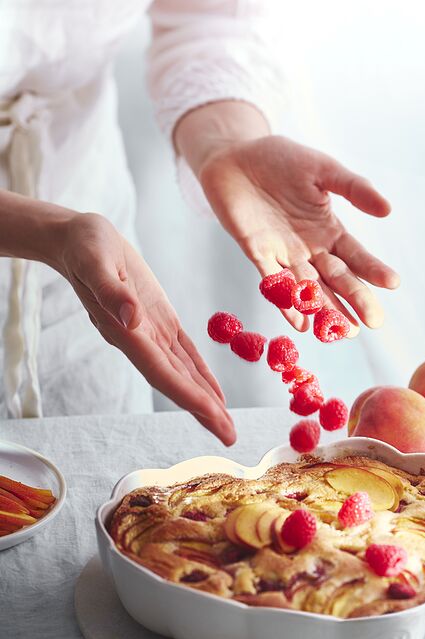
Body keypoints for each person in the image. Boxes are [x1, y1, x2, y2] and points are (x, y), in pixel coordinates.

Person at [0, 0, 398, 445]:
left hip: (76, 184)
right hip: (62, 229)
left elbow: (205, 15)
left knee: (98, 472)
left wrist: (224, 139)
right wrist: (46, 231)